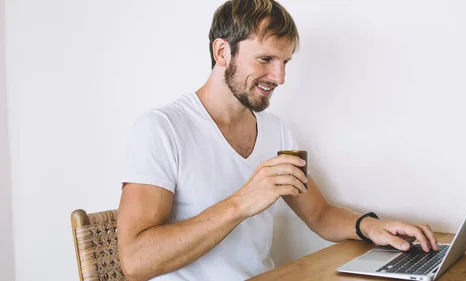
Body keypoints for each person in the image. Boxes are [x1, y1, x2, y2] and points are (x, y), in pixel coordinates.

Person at [117, 1, 439, 280]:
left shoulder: (277, 131)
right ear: (222, 52)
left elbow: (320, 214)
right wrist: (242, 203)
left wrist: (371, 227)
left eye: (285, 63)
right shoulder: (161, 129)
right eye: (266, 59)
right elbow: (135, 262)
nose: (280, 77)